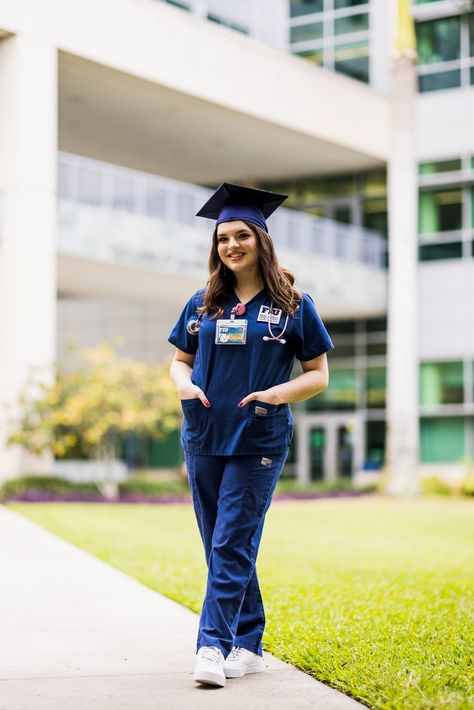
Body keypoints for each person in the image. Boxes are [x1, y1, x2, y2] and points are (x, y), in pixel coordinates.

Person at [168, 183, 335, 688]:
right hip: (203, 436)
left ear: (262, 239)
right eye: (223, 238)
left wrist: (275, 395)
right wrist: (185, 387)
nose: (231, 245)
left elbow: (318, 373)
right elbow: (179, 363)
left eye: (242, 235)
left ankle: (212, 647)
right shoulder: (203, 303)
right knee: (224, 543)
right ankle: (251, 643)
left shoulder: (292, 303)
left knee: (232, 540)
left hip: (258, 440)